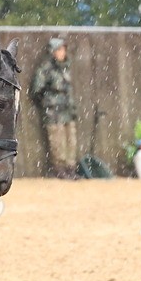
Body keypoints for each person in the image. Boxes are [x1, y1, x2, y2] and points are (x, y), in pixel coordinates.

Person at [31, 37, 79, 178]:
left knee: (71, 140)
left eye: (63, 49)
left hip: (68, 110)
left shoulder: (66, 68)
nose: (62, 52)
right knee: (57, 142)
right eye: (59, 49)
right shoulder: (45, 69)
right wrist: (50, 103)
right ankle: (60, 170)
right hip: (53, 112)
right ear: (52, 52)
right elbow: (37, 91)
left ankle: (71, 169)